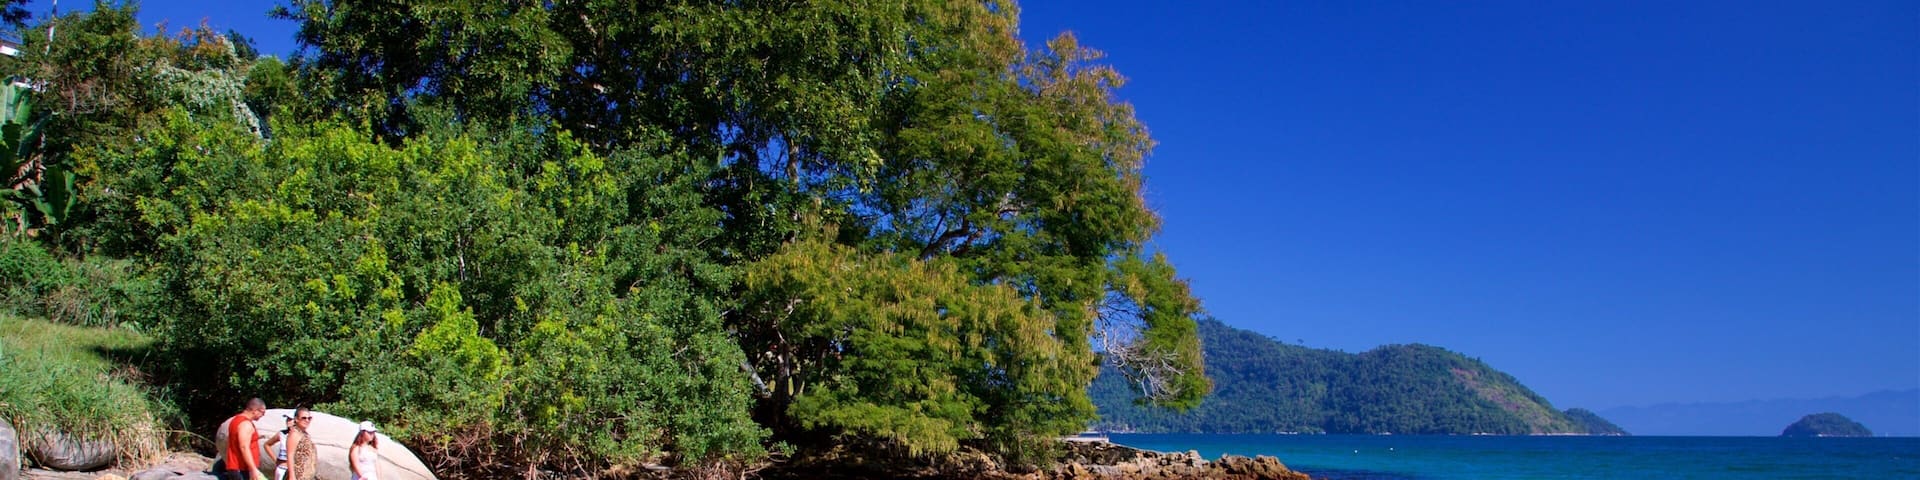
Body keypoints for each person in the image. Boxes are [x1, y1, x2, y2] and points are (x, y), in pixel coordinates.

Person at [220, 398, 269, 480]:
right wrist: (253, 469)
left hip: (238, 468)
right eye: (262, 412)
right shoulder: (245, 424)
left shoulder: (235, 420)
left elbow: (239, 439)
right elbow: (244, 447)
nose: (263, 415)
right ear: (255, 410)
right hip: (242, 468)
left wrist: (257, 437)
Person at [262, 407, 317, 480]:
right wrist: (292, 476)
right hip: (295, 474)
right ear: (296, 419)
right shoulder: (294, 434)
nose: (307, 420)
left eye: (309, 418)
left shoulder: (304, 434)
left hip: (305, 475)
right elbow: (290, 455)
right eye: (304, 418)